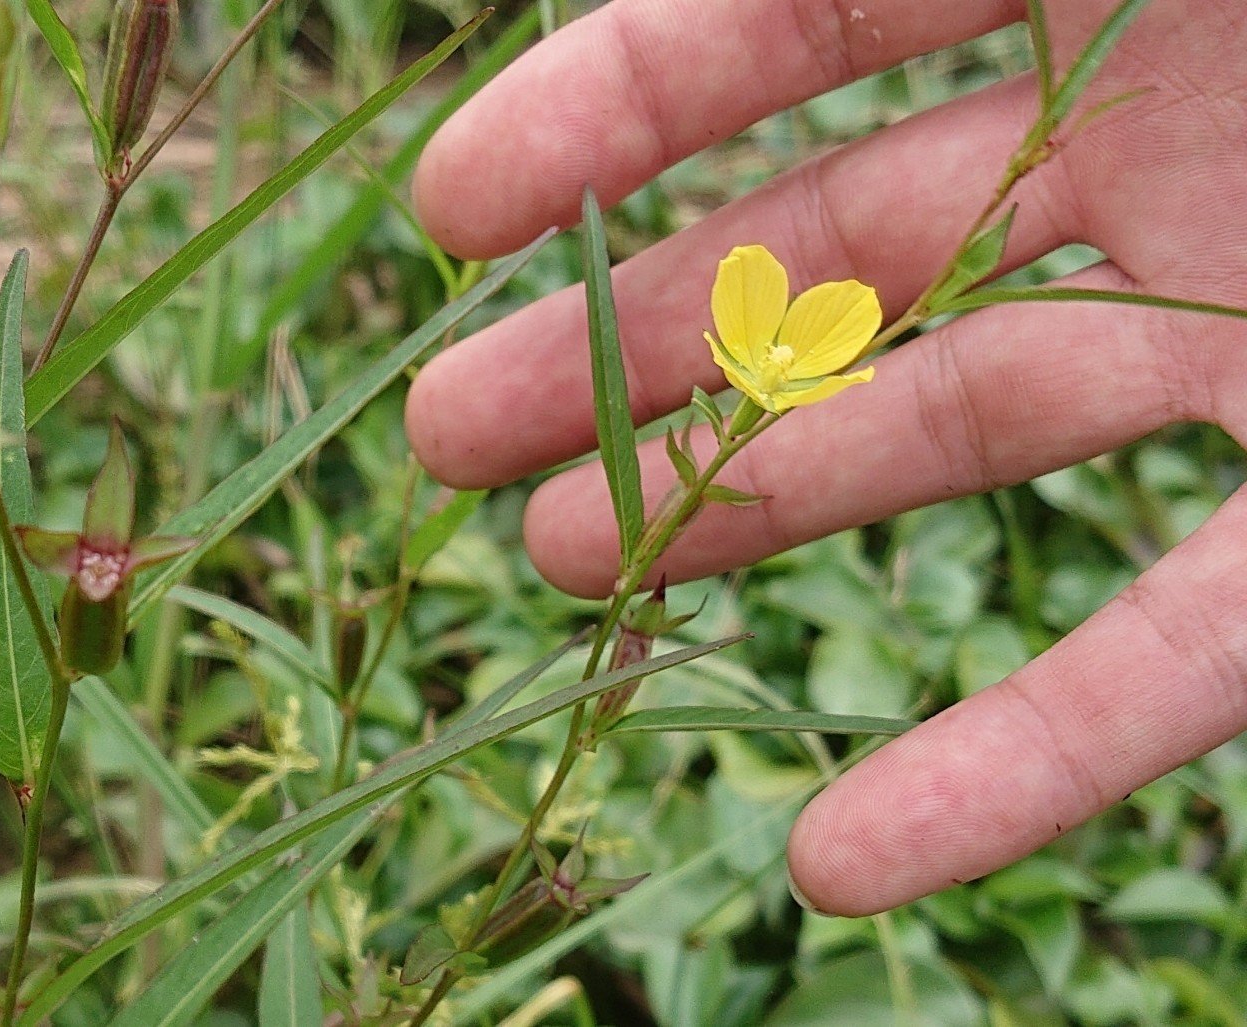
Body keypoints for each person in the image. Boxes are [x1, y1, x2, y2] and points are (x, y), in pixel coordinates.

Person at [405, 0, 1247, 916]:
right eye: (757, 359)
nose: (765, 366)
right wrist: (762, 375)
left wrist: (782, 378)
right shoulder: (748, 353)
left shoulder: (802, 369)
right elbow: (766, 348)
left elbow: (821, 356)